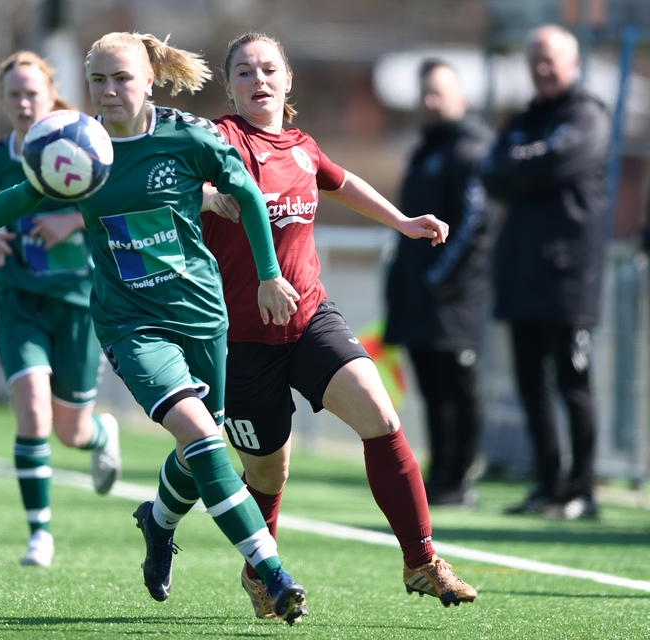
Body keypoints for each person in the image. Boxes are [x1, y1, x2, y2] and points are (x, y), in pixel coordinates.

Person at [0, 31, 308, 626]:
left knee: (200, 446)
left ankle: (158, 523)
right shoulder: (78, 147)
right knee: (202, 436)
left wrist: (268, 274)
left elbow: (245, 191)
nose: (109, 90)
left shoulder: (187, 136)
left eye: (122, 78)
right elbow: (19, 196)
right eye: (98, 80)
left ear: (150, 80)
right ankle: (272, 573)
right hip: (130, 324)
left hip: (202, 315)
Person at [200, 33, 478, 619]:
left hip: (309, 319)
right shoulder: (219, 138)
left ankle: (421, 560)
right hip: (243, 339)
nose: (258, 80)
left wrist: (403, 221)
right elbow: (170, 178)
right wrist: (203, 194)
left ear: (288, 79)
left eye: (268, 69)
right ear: (229, 86)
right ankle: (260, 572)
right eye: (244, 72)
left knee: (380, 414)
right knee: (268, 472)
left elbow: (342, 181)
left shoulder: (302, 146)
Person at [0, 50, 121, 568]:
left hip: (78, 305)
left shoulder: (86, 142)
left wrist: (71, 221)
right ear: (3, 99)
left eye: (32, 92)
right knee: (32, 412)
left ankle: (102, 433)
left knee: (71, 432)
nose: (23, 102)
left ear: (51, 93)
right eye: (13, 94)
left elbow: (116, 204)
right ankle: (40, 535)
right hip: (20, 303)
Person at [481, 25, 609, 520]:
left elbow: (556, 166)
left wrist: (522, 166)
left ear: (572, 64)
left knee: (573, 385)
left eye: (550, 59)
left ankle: (581, 491)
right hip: (521, 273)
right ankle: (549, 485)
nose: (541, 68)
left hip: (569, 279)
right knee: (530, 385)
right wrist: (526, 163)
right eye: (534, 59)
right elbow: (492, 174)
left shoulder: (587, 114)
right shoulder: (522, 119)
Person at [384, 59, 497, 507]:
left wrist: (439, 277)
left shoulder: (472, 150)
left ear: (460, 98)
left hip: (454, 297)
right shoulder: (423, 151)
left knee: (458, 385)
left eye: (439, 92)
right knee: (432, 388)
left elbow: (475, 224)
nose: (430, 101)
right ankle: (440, 475)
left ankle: (460, 477)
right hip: (418, 295)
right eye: (425, 92)